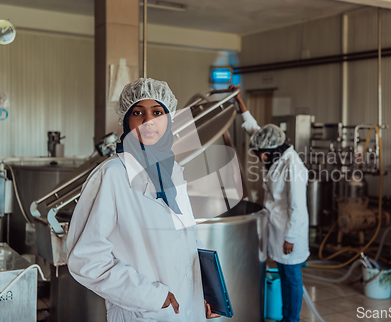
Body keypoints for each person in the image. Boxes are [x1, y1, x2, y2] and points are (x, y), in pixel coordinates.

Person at [66, 78, 220, 322]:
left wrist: (201, 293)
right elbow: (86, 259)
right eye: (138, 113)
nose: (149, 121)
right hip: (144, 312)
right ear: (127, 121)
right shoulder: (113, 174)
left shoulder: (172, 171)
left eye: (157, 112)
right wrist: (151, 296)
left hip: (186, 309)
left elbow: (188, 239)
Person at [228, 85, 309, 322]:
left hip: (289, 231)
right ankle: (286, 316)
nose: (258, 158)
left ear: (271, 151)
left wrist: (291, 238)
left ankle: (291, 319)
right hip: (277, 226)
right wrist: (239, 102)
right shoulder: (275, 151)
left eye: (260, 154)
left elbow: (298, 207)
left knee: (291, 276)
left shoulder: (293, 166)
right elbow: (254, 130)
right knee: (283, 274)